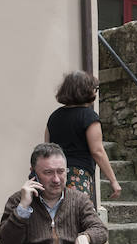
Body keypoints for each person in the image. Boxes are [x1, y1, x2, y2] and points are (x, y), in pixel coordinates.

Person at [45, 70, 121, 202]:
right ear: (85, 90)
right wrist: (113, 181)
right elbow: (97, 151)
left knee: (58, 217)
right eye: (95, 88)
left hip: (54, 175)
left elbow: (47, 148)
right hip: (78, 176)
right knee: (79, 216)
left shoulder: (54, 116)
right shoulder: (89, 116)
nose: (96, 91)